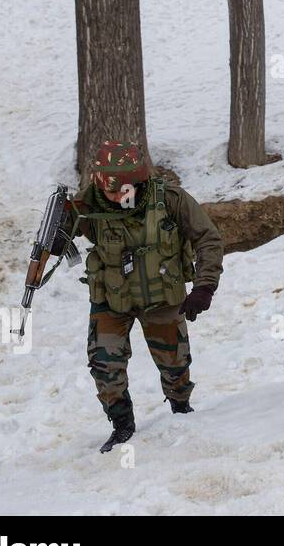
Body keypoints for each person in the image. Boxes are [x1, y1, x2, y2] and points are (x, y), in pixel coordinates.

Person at [71, 141, 223, 453]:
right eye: (108, 191)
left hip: (161, 296)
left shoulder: (170, 199)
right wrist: (57, 234)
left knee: (175, 364)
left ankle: (181, 409)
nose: (114, 198)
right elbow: (59, 246)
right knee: (103, 362)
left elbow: (208, 238)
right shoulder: (86, 206)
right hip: (113, 297)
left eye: (120, 191)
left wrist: (204, 287)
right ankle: (122, 424)